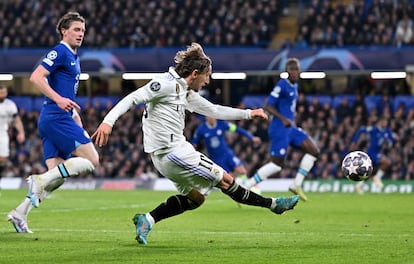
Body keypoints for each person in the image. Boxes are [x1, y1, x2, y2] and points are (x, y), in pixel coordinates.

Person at [92, 43, 299, 245]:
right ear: (195, 73)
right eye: (206, 76)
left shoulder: (185, 92)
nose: (207, 82)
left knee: (197, 199)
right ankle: (273, 205)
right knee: (226, 180)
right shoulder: (165, 84)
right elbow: (133, 98)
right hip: (174, 153)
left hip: (164, 158)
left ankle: (148, 219)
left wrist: (248, 114)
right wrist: (108, 122)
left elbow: (214, 110)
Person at [8, 12, 99, 233]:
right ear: (63, 31)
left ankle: (19, 213)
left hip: (57, 118)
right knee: (92, 160)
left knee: (55, 177)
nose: (81, 34)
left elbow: (66, 90)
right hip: (55, 117)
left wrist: (75, 115)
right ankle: (37, 181)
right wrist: (59, 100)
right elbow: (36, 77)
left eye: (83, 31)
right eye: (76, 30)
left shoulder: (73, 56)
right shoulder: (59, 51)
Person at [242, 58, 320, 202]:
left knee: (314, 151)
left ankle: (296, 184)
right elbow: (268, 105)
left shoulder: (294, 86)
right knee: (276, 164)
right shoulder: (282, 84)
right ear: (287, 71)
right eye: (292, 70)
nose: (295, 72)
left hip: (291, 128)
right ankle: (247, 186)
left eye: (297, 69)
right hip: (279, 128)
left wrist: (291, 119)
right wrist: (283, 118)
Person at [191, 116, 261, 181]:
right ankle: (241, 188)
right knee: (230, 178)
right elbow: (194, 143)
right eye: (209, 116)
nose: (211, 118)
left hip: (227, 154)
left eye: (212, 116)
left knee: (242, 171)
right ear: (206, 117)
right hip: (216, 159)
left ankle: (249, 187)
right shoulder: (201, 129)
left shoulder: (222, 125)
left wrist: (252, 137)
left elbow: (237, 129)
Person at [350, 117, 397, 194]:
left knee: (369, 173)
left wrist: (389, 143)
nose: (385, 123)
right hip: (371, 153)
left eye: (386, 122)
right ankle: (377, 178)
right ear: (380, 122)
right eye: (383, 121)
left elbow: (391, 140)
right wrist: (354, 141)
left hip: (378, 153)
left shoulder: (387, 131)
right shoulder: (374, 129)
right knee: (387, 162)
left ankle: (358, 186)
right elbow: (361, 130)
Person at [0, 84, 25, 181]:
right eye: (1, 93)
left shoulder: (10, 105)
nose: (3, 95)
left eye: (4, 93)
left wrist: (21, 132)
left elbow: (17, 120)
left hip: (3, 133)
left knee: (3, 158)